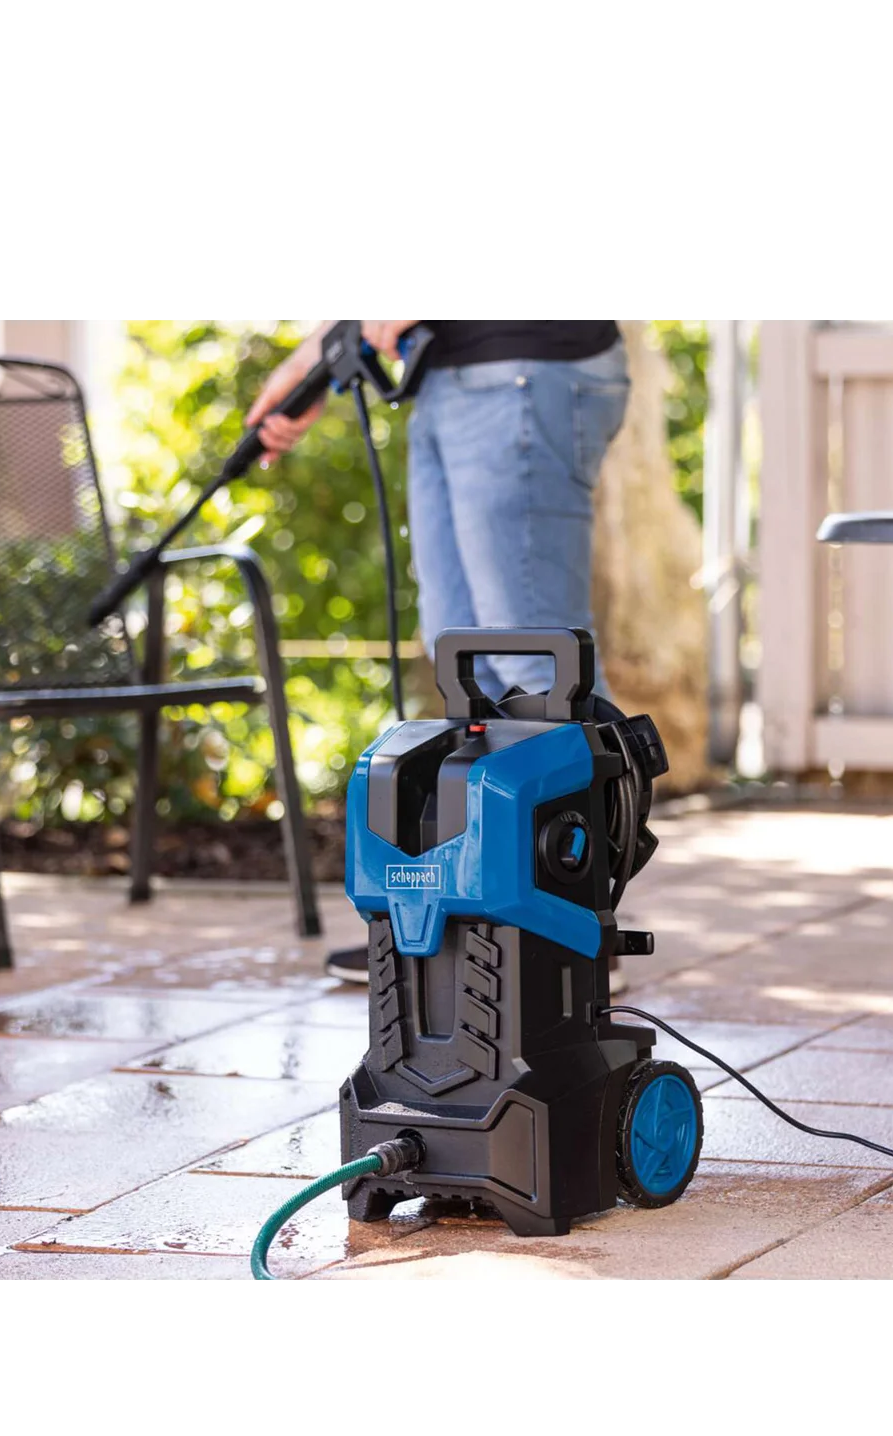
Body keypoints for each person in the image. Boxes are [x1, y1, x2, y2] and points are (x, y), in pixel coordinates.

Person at [247, 319, 630, 983]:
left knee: (538, 661)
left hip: (520, 366)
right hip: (448, 378)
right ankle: (473, 926)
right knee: (462, 659)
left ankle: (579, 930)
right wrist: (310, 364)